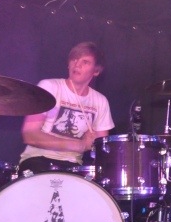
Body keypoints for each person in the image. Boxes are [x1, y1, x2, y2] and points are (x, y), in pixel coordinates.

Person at [19, 41, 114, 175]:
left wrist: (93, 144)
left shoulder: (100, 101)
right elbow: (30, 135)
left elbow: (102, 148)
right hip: (38, 159)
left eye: (85, 62)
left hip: (73, 166)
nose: (77, 64)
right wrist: (79, 145)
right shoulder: (49, 87)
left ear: (96, 71)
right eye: (74, 59)